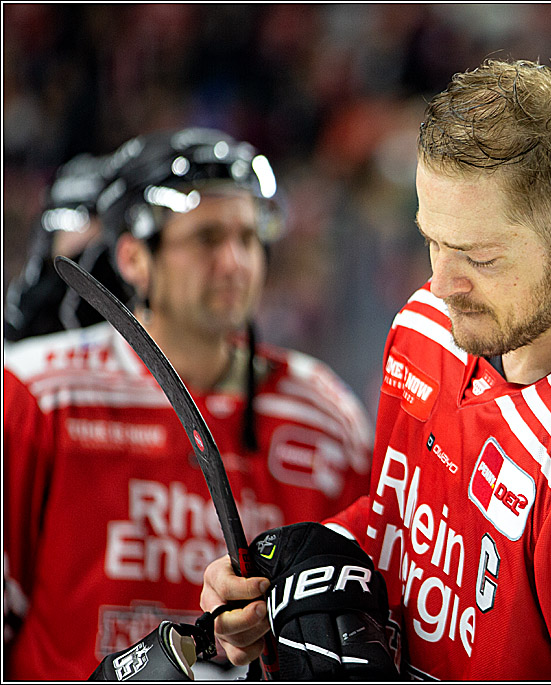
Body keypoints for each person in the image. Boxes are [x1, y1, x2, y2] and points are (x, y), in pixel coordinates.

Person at [202, 59, 551, 680]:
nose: (442, 284)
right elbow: (411, 522)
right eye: (432, 241)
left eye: (480, 255)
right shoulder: (435, 324)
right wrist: (303, 574)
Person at [3, 127, 374, 680]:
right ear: (133, 258)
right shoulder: (38, 393)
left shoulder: (324, 414)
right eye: (206, 238)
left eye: (248, 238)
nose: (235, 262)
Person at [4, 152, 133, 343]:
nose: (73, 231)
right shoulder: (33, 294)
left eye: (85, 218)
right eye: (61, 218)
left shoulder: (128, 282)